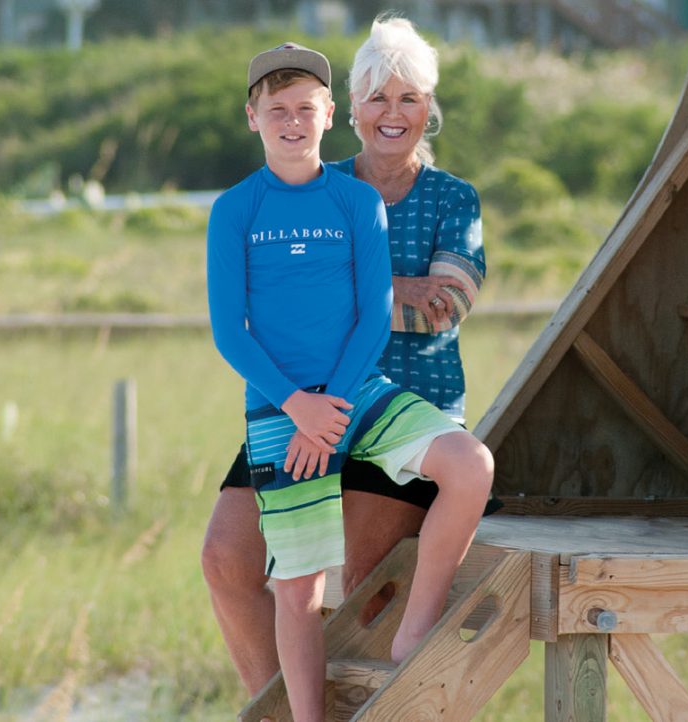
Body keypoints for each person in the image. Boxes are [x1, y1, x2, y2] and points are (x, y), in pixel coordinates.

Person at [205, 41, 493, 721]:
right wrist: (305, 400)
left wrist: (335, 378)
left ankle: (399, 678)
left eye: (410, 98)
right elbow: (234, 326)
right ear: (353, 112)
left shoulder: (418, 200)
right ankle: (288, 711)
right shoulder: (262, 197)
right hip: (290, 403)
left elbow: (429, 306)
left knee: (366, 573)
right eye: (379, 97)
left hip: (381, 400)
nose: (393, 112)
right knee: (244, 564)